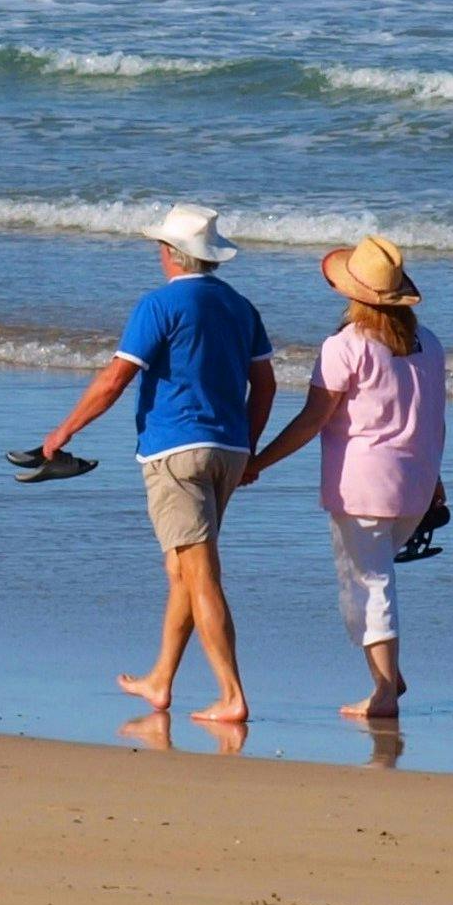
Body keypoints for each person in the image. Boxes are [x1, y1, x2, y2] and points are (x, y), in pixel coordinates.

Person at [30, 201, 275, 725]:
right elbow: (267, 384)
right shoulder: (239, 306)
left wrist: (63, 431)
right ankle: (162, 678)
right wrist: (249, 446)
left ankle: (232, 694)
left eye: (161, 246)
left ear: (172, 253)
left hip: (175, 451)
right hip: (228, 450)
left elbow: (115, 379)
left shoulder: (158, 305)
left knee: (200, 571)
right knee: (182, 569)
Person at [243, 233, 446, 721]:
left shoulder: (346, 345)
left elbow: (313, 419)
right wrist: (437, 480)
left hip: (364, 486)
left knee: (370, 583)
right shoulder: (429, 344)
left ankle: (384, 691)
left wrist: (258, 462)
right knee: (366, 579)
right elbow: (435, 418)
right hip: (416, 484)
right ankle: (386, 674)